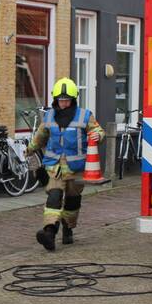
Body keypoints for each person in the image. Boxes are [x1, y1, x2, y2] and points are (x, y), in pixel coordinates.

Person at [27, 77, 104, 251]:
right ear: (56, 100)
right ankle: (49, 234)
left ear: (73, 100)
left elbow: (97, 130)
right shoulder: (49, 116)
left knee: (72, 202)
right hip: (54, 167)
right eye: (60, 100)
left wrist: (98, 135)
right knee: (53, 197)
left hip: (76, 169)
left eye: (67, 100)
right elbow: (40, 137)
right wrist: (29, 150)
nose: (63, 103)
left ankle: (68, 229)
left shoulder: (85, 115)